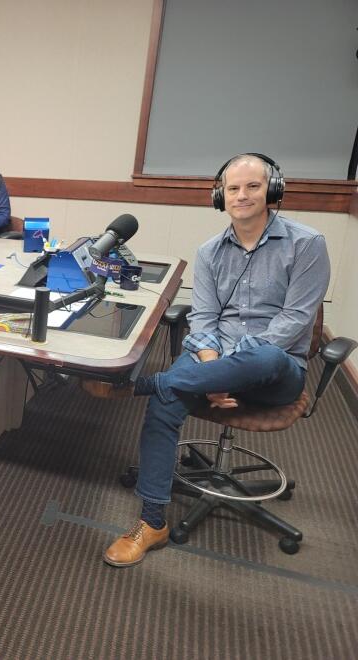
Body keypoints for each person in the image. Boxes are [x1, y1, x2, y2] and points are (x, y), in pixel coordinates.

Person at [99, 153, 330, 567]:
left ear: (272, 190)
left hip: (275, 368)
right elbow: (203, 317)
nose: (241, 195)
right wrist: (211, 367)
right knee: (164, 406)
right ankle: (152, 522)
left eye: (253, 186)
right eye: (233, 188)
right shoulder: (209, 251)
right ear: (219, 195)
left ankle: (147, 381)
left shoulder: (307, 243)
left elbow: (295, 320)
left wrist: (224, 371)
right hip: (213, 356)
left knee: (264, 356)